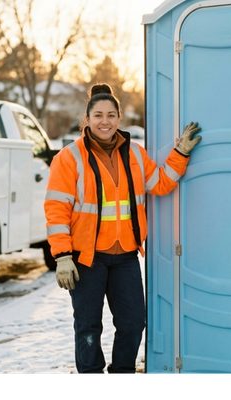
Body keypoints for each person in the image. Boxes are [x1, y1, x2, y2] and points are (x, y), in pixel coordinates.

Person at [44, 83, 201, 375]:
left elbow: (161, 182)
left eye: (111, 115)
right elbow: (56, 209)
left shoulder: (135, 154)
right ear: (87, 119)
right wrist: (63, 256)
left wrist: (180, 152)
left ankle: (123, 372)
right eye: (99, 115)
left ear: (119, 118)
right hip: (85, 257)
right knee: (89, 324)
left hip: (126, 255)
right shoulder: (70, 157)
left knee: (133, 322)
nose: (105, 121)